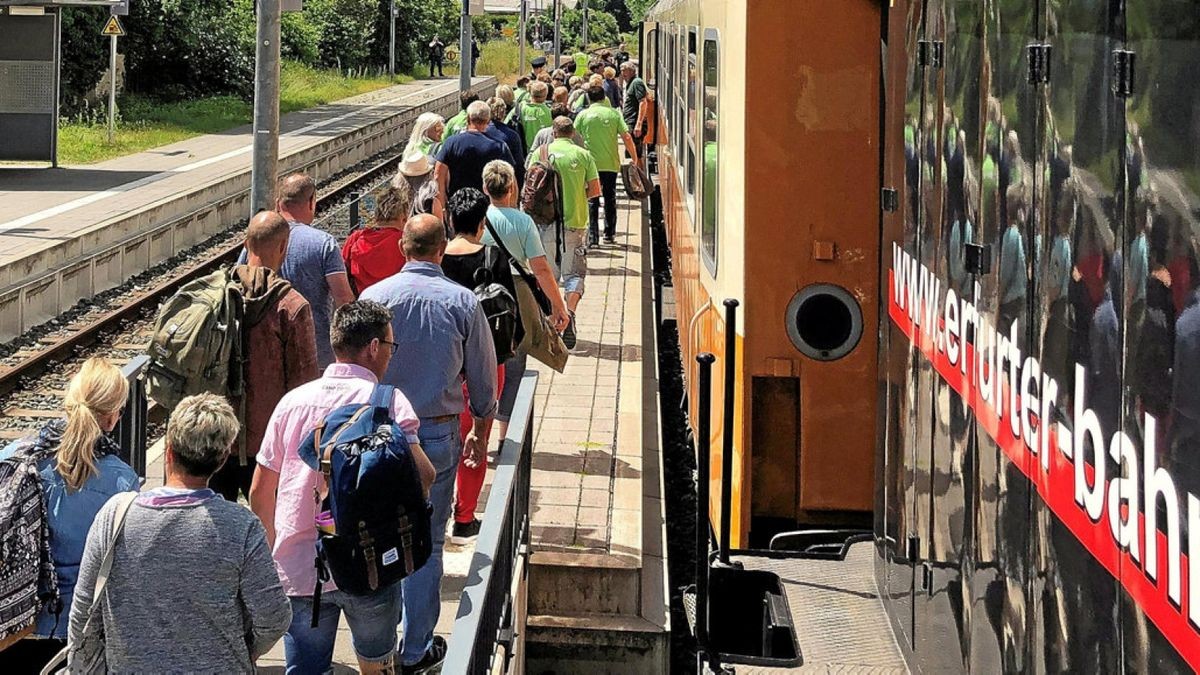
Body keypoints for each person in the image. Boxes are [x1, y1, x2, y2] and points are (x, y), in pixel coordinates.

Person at [250, 301, 434, 674]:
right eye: (389, 347)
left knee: (305, 669)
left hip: (301, 565)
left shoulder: (292, 403)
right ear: (372, 348)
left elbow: (259, 491)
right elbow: (424, 475)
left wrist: (272, 552)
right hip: (371, 561)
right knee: (377, 664)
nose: (388, 356)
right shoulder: (388, 403)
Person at [359, 215, 498, 671]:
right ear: (441, 250)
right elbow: (482, 378)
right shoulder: (463, 302)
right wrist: (479, 428)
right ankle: (415, 649)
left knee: (379, 535)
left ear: (403, 247)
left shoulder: (374, 298)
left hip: (377, 430)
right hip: (436, 433)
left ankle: (377, 643)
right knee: (427, 544)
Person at [70, 394, 291, 673]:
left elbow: (84, 612)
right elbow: (274, 617)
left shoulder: (114, 516)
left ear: (169, 450)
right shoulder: (242, 526)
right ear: (222, 460)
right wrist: (242, 650)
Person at [0, 359, 137, 670]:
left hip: (12, 622)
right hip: (77, 630)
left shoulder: (14, 457)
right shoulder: (120, 481)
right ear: (113, 417)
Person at [212, 211, 319, 502]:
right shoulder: (292, 307)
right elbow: (304, 388)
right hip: (269, 448)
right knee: (269, 535)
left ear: (246, 244)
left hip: (214, 439)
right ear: (284, 247)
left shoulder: (215, 297)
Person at [441, 189, 516, 543]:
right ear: (482, 223)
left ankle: (438, 509)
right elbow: (510, 307)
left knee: (445, 435)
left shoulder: (437, 257)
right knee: (477, 438)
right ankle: (465, 516)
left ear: (450, 221)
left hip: (445, 363)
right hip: (486, 362)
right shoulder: (494, 256)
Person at [481, 160, 569, 439]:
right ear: (512, 188)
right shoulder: (523, 222)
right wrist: (559, 305)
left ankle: (478, 428)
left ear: (485, 188)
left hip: (481, 293)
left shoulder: (477, 218)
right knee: (514, 362)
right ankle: (504, 435)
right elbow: (540, 268)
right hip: (514, 298)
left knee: (482, 361)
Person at [238, 174, 355, 369]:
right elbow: (344, 299)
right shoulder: (324, 243)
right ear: (311, 203)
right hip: (315, 354)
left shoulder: (256, 242)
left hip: (262, 355)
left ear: (277, 204)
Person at [527, 117, 600, 347]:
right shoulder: (583, 155)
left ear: (553, 132)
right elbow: (595, 190)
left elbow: (529, 185)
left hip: (544, 223)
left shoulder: (540, 152)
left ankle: (553, 318)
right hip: (575, 224)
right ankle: (570, 312)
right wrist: (576, 198)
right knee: (574, 274)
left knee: (548, 275)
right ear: (572, 132)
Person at [576, 84, 639, 246]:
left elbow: (574, 137)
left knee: (592, 199)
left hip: (589, 165)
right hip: (610, 164)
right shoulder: (613, 114)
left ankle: (592, 237)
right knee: (610, 198)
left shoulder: (583, 115)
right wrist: (634, 157)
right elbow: (626, 137)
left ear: (589, 98)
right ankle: (609, 234)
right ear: (604, 97)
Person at [433, 100, 514, 221]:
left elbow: (438, 174)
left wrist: (442, 205)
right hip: (488, 209)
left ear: (468, 119)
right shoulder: (499, 146)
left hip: (458, 206)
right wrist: (510, 209)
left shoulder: (451, 142)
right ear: (488, 120)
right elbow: (511, 179)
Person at [343, 185, 410, 293]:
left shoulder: (355, 239)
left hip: (362, 303)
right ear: (404, 218)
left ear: (376, 214)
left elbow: (342, 273)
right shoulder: (407, 242)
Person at [484, 97, 526, 186]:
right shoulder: (512, 135)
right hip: (505, 182)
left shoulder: (481, 132)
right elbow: (519, 166)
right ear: (504, 113)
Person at [516, 81, 554, 152]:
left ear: (531, 93)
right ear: (546, 95)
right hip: (545, 150)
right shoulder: (548, 110)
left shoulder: (522, 107)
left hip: (527, 149)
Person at [620, 61, 648, 156]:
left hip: (634, 122)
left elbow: (643, 102)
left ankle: (638, 170)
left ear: (632, 71)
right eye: (621, 71)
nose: (622, 74)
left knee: (635, 154)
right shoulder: (630, 83)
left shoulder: (637, 82)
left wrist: (639, 124)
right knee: (631, 152)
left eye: (625, 71)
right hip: (630, 121)